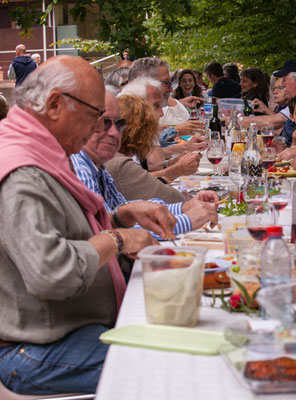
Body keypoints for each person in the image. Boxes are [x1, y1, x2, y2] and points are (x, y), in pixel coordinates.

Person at [0, 55, 174, 395]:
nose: (100, 129)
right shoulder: (23, 172)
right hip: (36, 350)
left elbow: (61, 231)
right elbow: (50, 271)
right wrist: (117, 239)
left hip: (63, 334)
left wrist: (120, 217)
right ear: (53, 105)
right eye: (95, 116)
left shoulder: (40, 153)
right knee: (168, 365)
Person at [72, 89, 218, 239]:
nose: (115, 133)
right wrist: (187, 219)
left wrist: (184, 207)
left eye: (119, 124)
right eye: (104, 123)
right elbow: (104, 233)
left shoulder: (98, 166)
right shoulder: (83, 168)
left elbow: (124, 212)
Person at [105, 94, 199, 203]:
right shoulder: (119, 163)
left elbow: (143, 177)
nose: (161, 113)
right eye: (156, 106)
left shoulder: (119, 157)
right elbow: (174, 198)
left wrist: (171, 165)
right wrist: (177, 169)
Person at [241, 59, 296, 130]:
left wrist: (239, 119)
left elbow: (273, 123)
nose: (283, 84)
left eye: (284, 80)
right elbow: (280, 128)